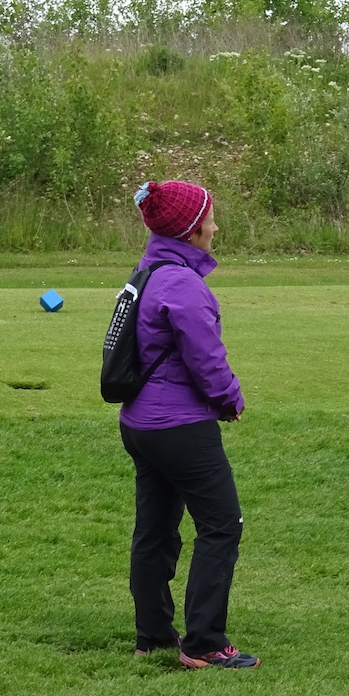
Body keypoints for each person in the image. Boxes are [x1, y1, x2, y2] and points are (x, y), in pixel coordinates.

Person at [119, 179, 257, 669]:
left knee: (155, 529)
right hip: (180, 426)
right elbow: (207, 360)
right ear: (192, 231)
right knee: (222, 525)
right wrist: (231, 400)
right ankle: (203, 643)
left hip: (140, 423)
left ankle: (152, 634)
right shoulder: (182, 283)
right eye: (211, 219)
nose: (216, 227)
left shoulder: (148, 270)